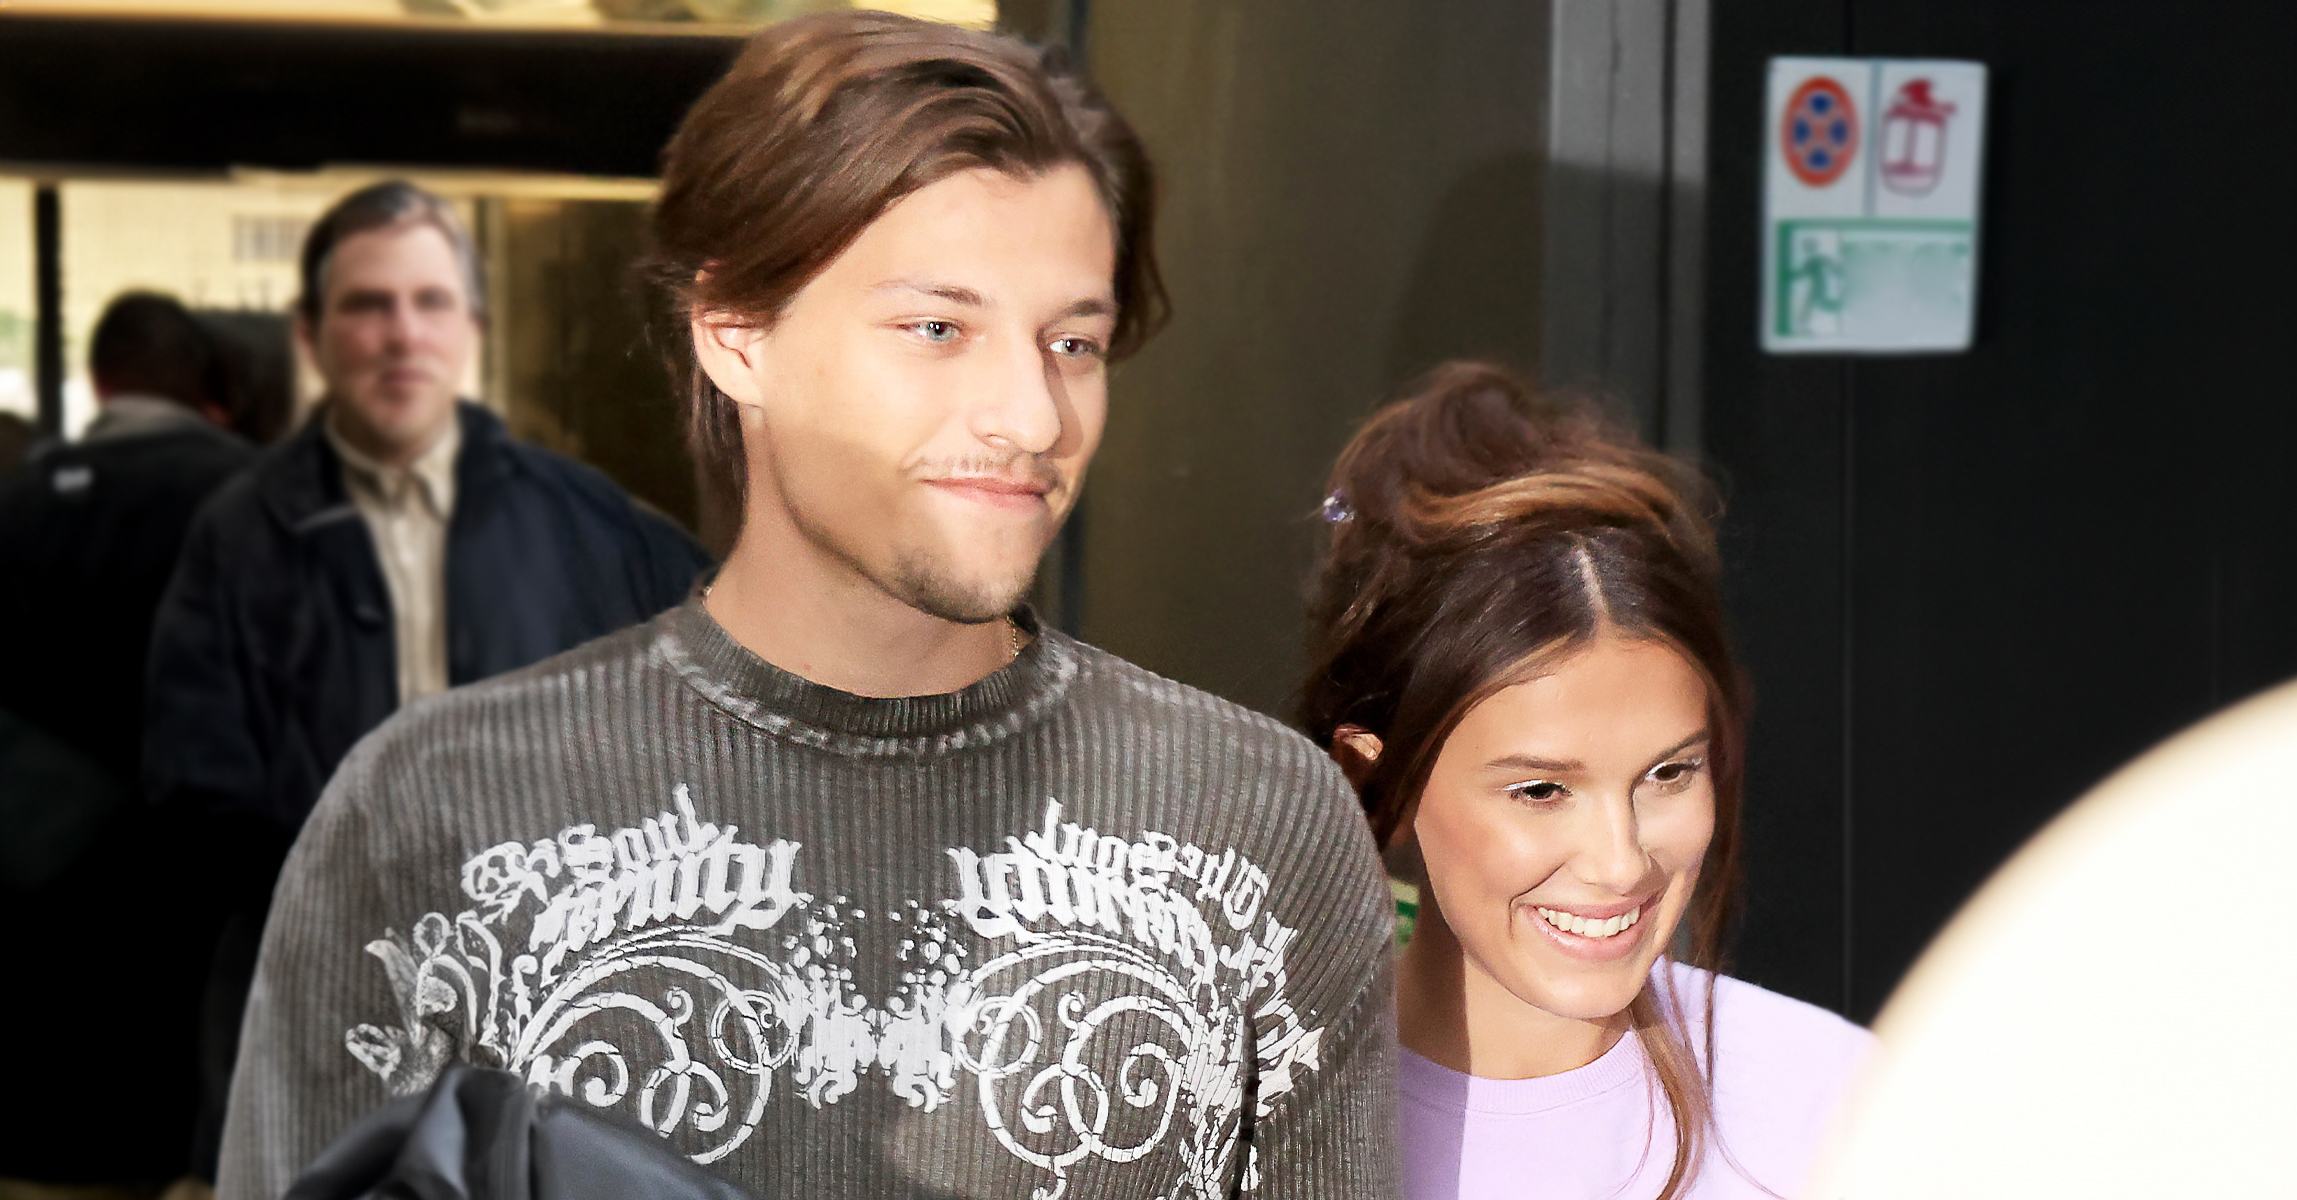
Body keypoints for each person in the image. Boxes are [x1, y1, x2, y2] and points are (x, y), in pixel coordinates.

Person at [214, 13, 1397, 1200]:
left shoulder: (1257, 826)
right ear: (736, 333)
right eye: (938, 328)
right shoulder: (431, 811)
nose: (1034, 418)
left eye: (1072, 344)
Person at [148, 181, 712, 1183]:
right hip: (313, 1041)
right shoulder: (238, 536)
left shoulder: (596, 530)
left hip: (551, 1067)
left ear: (473, 329)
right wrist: (383, 912)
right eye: (368, 305)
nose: (401, 333)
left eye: (431, 302)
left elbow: (704, 750)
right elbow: (196, 795)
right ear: (312, 336)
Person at [1299, 363, 1872, 1200]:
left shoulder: (1836, 1106)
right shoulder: (1250, 1118)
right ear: (1377, 783)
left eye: (1670, 773)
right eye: (1540, 790)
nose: (1620, 863)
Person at [0, 292, 258, 1194]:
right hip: (202, 875)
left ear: (100, 381)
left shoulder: (23, 499)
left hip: (42, 873)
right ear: (202, 383)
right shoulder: (261, 495)